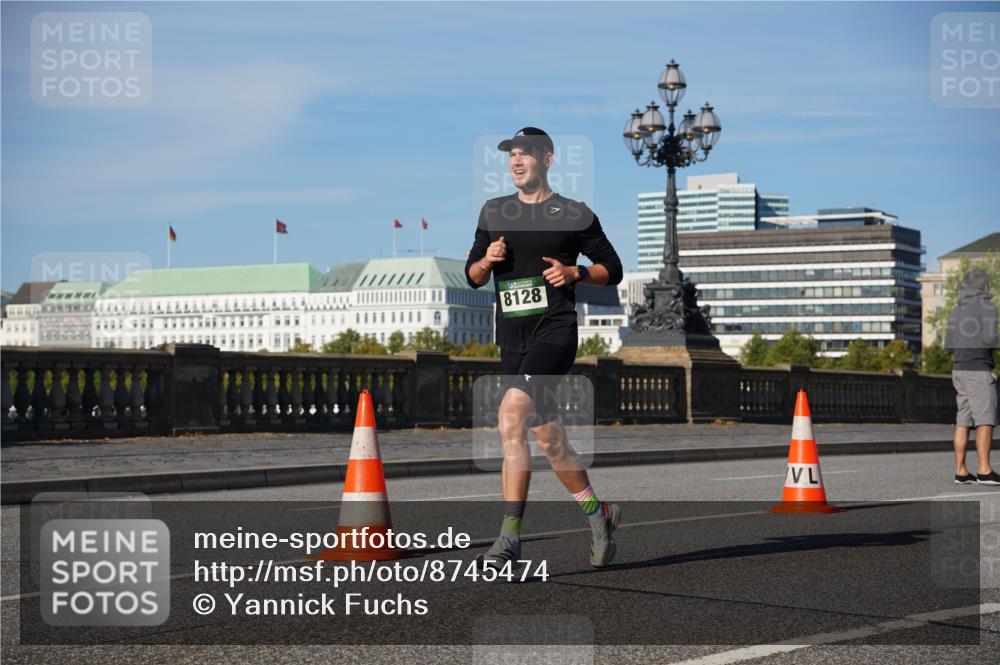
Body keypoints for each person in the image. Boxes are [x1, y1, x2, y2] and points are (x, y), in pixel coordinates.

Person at [465, 127, 624, 567]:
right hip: (513, 338)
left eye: (526, 154)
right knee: (551, 439)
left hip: (555, 332)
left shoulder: (573, 213)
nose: (517, 162)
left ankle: (508, 541)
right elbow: (473, 275)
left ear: (548, 159)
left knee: (509, 415)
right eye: (512, 155)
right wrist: (486, 260)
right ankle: (600, 514)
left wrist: (576, 274)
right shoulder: (494, 211)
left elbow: (613, 268)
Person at [944, 268, 999, 485]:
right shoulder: (988, 306)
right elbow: (991, 338)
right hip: (978, 369)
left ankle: (961, 471)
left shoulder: (956, 310)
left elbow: (948, 346)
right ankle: (984, 470)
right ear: (985, 286)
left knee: (963, 421)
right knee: (986, 419)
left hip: (958, 369)